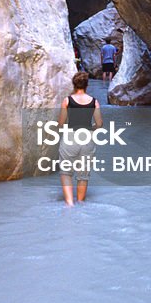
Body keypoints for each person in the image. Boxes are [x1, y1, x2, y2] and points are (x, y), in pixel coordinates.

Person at [58, 71, 103, 205]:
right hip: (87, 138)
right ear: (86, 85)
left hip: (70, 137)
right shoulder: (94, 102)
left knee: (66, 172)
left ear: (74, 84)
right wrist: (92, 128)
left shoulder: (67, 101)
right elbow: (99, 124)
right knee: (83, 174)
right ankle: (81, 203)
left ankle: (70, 204)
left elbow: (61, 123)